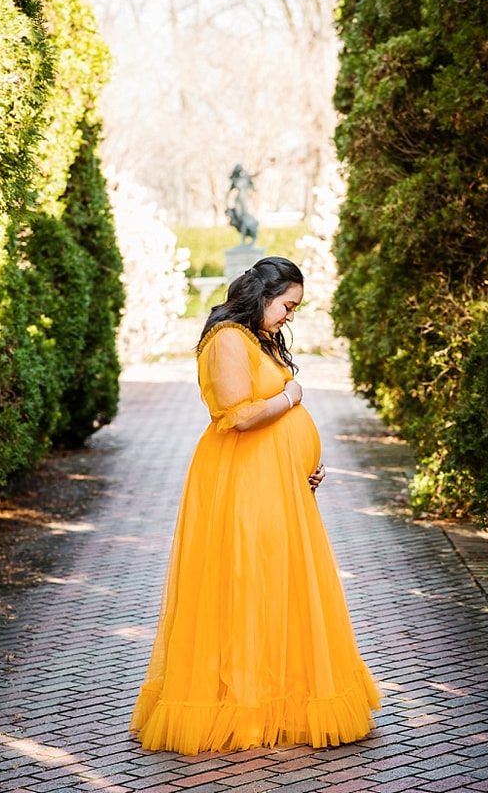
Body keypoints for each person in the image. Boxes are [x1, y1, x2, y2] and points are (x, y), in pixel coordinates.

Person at [130, 256, 379, 754]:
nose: (290, 316)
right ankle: (241, 705)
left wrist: (305, 461)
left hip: (278, 483)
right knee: (246, 581)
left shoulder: (259, 339)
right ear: (262, 296)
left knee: (279, 585)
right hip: (242, 483)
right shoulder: (226, 340)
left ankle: (275, 697)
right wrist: (292, 396)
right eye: (287, 306)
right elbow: (240, 415)